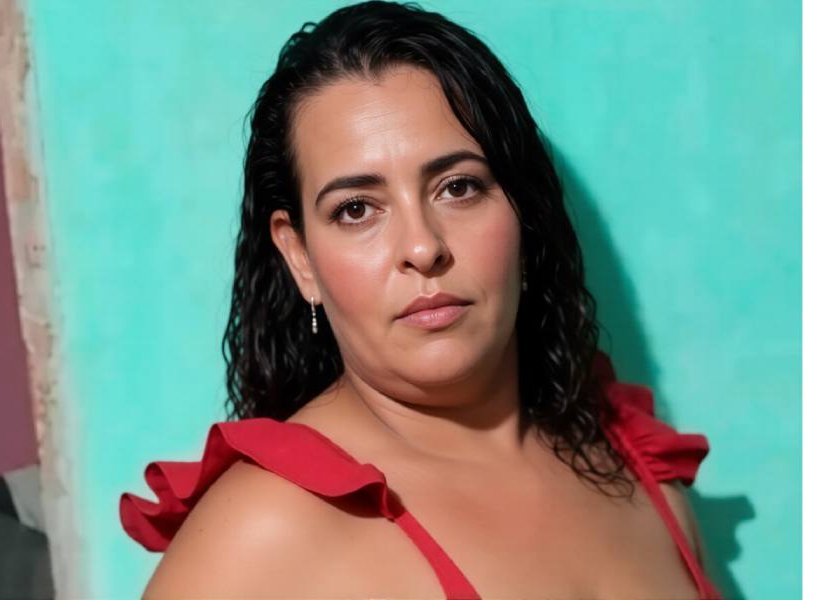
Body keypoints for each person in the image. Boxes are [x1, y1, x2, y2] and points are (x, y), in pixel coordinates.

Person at [119, 2, 722, 598]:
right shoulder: (263, 533)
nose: (423, 247)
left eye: (458, 187)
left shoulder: (640, 474)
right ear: (299, 256)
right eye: (356, 209)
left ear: (524, 211)